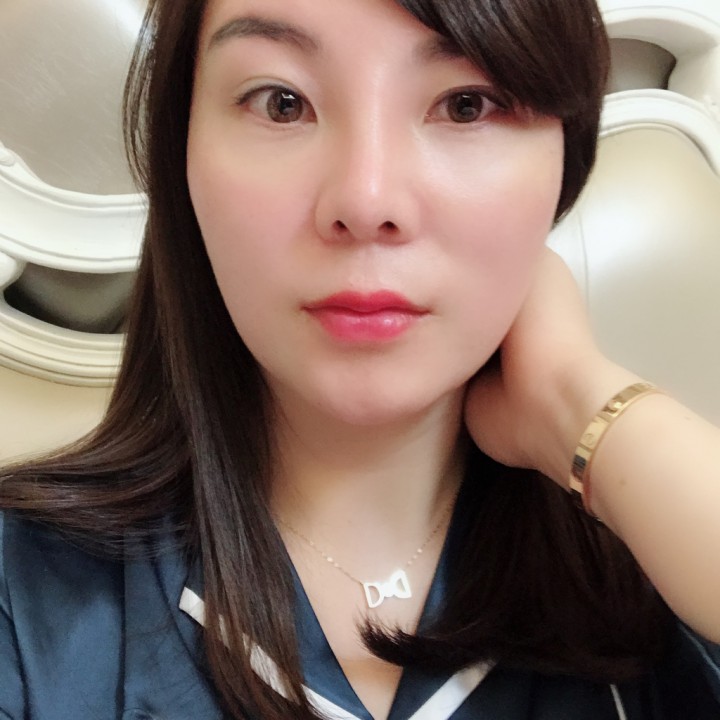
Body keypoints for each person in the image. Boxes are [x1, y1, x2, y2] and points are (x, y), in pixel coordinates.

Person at [0, 0, 718, 718]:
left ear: (564, 163)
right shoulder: (25, 606)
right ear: (182, 153)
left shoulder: (661, 573)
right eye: (281, 103)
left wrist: (581, 408)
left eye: (466, 105)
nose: (366, 200)